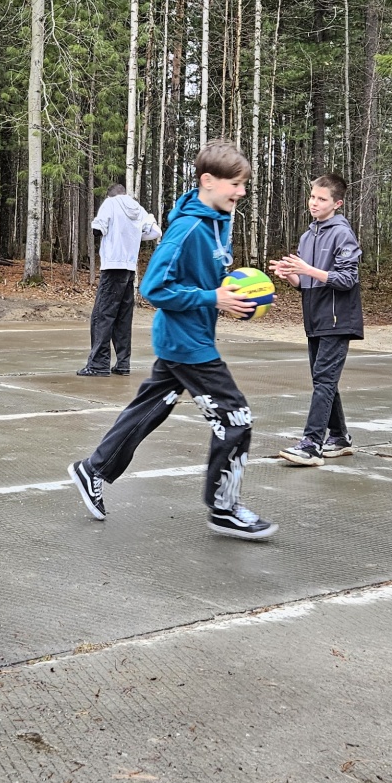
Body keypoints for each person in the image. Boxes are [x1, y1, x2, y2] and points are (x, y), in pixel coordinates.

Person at [66, 141, 277, 541]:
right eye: (235, 184)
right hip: (187, 343)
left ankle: (93, 468)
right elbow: (153, 287)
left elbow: (203, 279)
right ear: (208, 182)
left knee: (150, 409)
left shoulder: (219, 218)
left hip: (189, 335)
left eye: (243, 184)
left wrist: (227, 298)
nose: (241, 192)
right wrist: (211, 297)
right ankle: (224, 508)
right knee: (235, 418)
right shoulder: (188, 228)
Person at [268, 173, 362, 466]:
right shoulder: (308, 236)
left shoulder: (342, 233)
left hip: (338, 319)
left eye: (322, 199)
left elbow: (347, 279)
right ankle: (340, 437)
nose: (314, 203)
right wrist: (291, 276)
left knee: (323, 380)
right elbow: (307, 283)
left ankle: (311, 445)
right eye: (312, 197)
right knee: (324, 380)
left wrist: (307, 269)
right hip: (315, 319)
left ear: (337, 203)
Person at [78, 183, 162, 376]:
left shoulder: (110, 203)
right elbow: (156, 232)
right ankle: (123, 364)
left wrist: (106, 231)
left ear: (110, 195)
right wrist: (134, 236)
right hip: (129, 269)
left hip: (112, 267)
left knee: (102, 316)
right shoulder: (138, 209)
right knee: (123, 318)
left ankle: (99, 365)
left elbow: (98, 229)